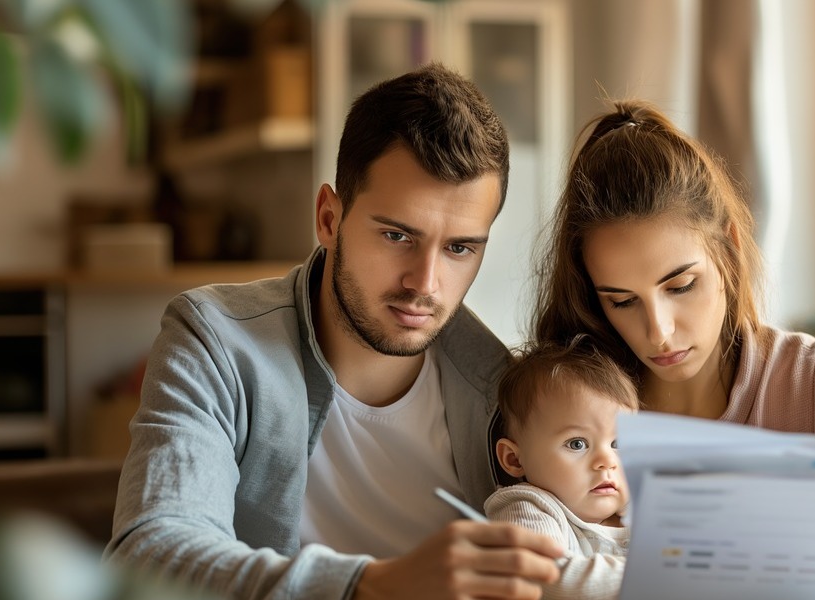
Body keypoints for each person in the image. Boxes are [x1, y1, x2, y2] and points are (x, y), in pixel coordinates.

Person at [105, 63, 565, 600]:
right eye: (397, 235)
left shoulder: (504, 390)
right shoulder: (216, 342)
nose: (426, 283)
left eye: (460, 247)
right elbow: (149, 554)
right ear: (328, 217)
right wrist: (370, 584)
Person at [532, 99, 815, 587]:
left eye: (680, 286)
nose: (659, 332)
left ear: (729, 249)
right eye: (622, 301)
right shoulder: (566, 413)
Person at [486, 339, 638, 600]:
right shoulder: (527, 506)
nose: (607, 461)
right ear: (514, 459)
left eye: (618, 443)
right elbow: (546, 576)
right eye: (577, 444)